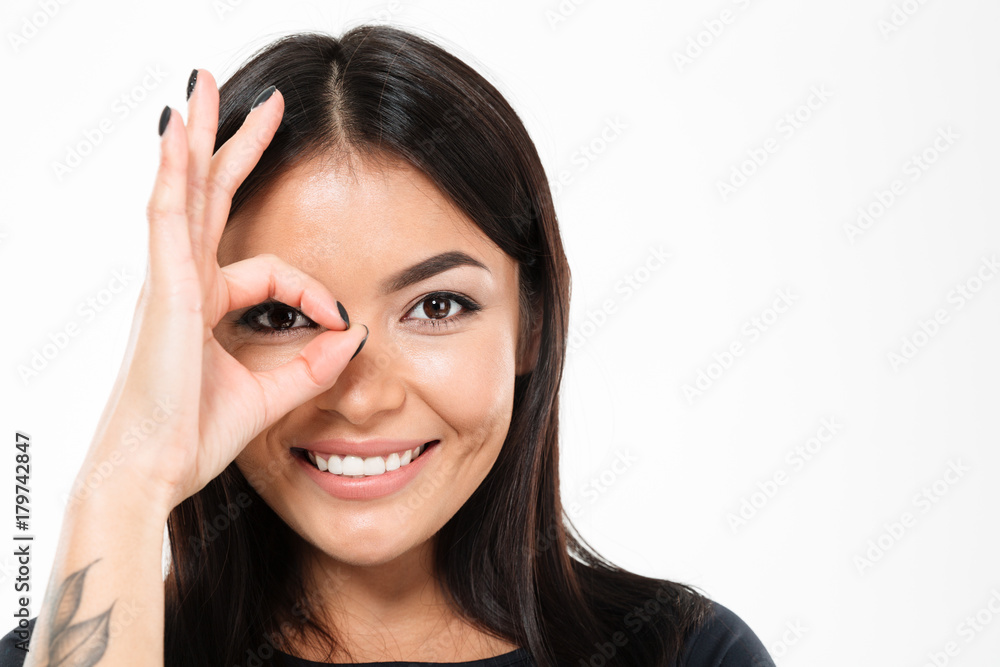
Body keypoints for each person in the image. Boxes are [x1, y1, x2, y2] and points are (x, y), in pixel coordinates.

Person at [0, 25, 775, 666]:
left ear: (532, 325)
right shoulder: (61, 653)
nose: (363, 396)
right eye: (281, 316)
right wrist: (125, 482)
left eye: (436, 306)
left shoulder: (686, 653)